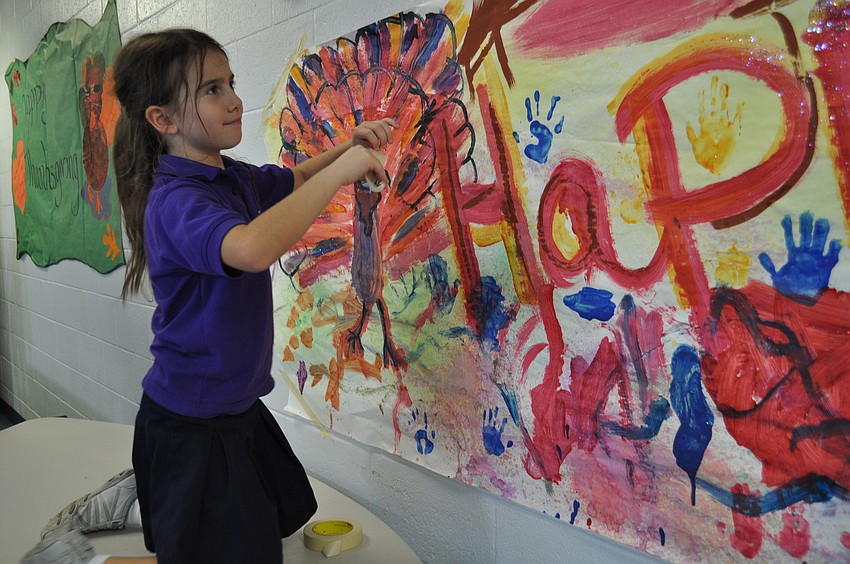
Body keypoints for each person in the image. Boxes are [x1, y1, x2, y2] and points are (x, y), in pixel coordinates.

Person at [22, 28, 395, 564]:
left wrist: (349, 148)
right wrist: (345, 171)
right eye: (211, 90)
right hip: (192, 425)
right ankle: (82, 559)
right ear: (163, 120)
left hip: (232, 408)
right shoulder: (176, 201)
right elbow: (250, 248)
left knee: (264, 528)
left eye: (230, 83)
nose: (234, 100)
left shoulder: (230, 177)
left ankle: (142, 500)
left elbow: (298, 177)